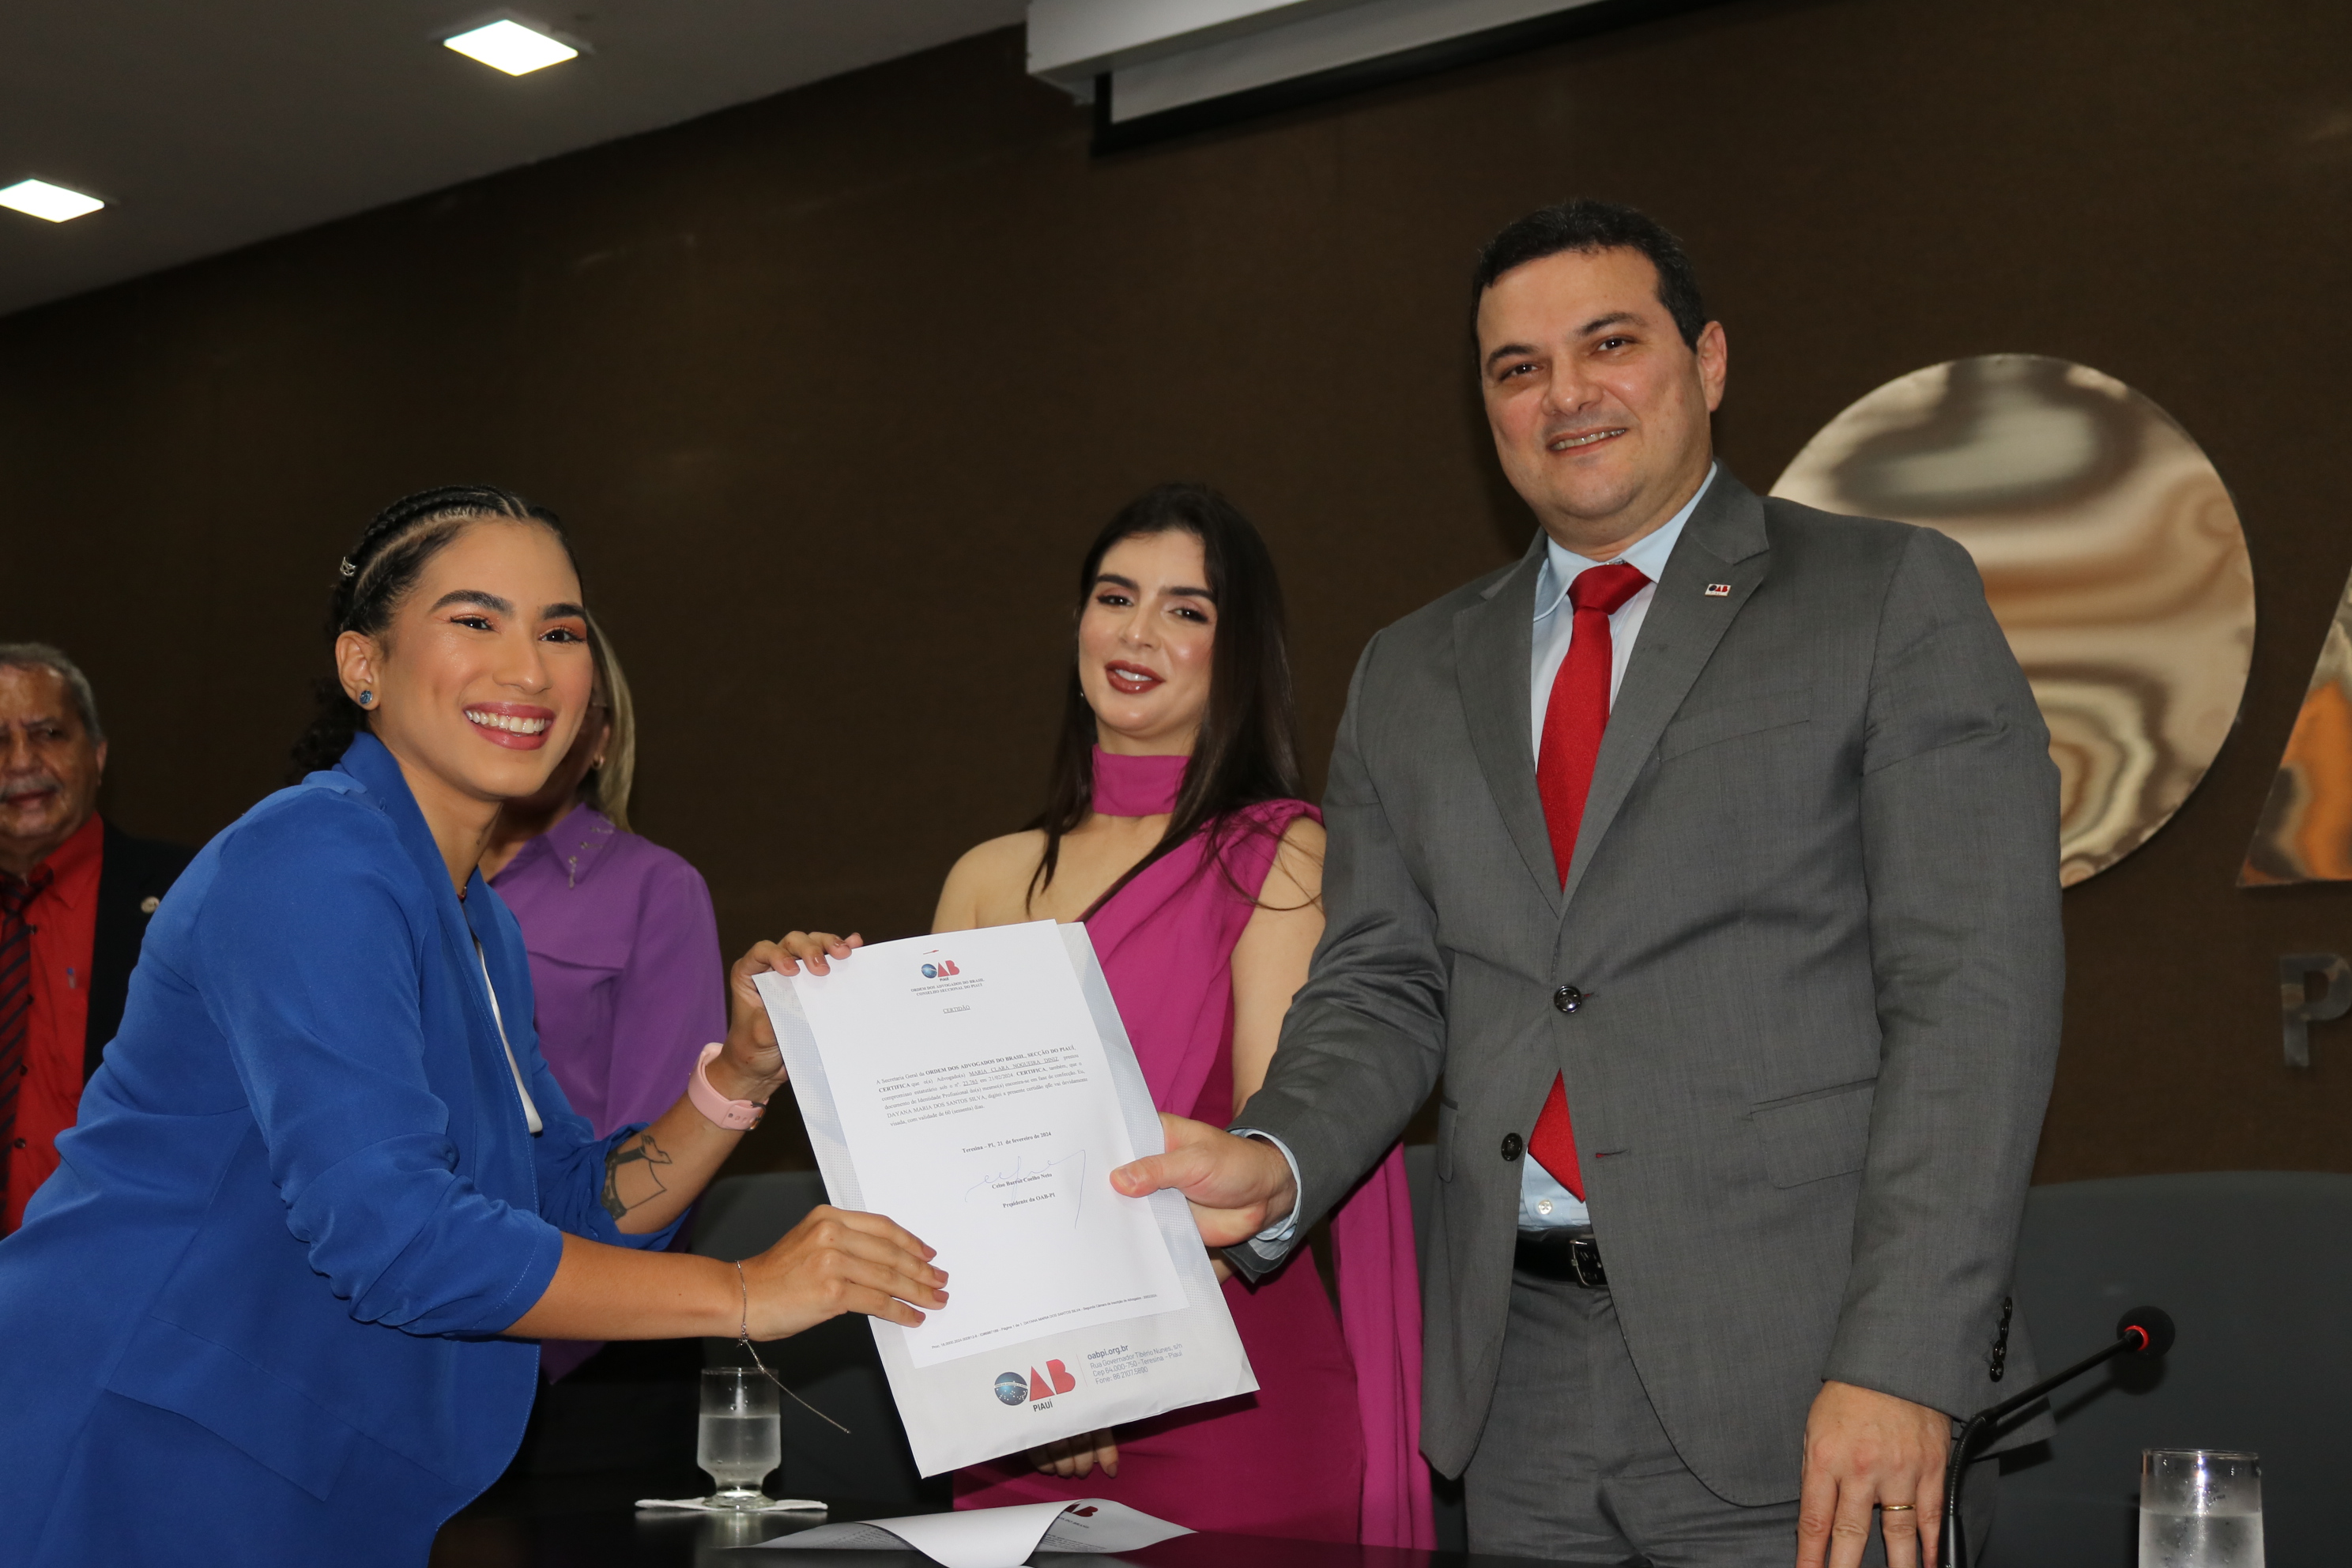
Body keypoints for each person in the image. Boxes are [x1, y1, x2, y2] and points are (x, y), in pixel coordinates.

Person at [1108, 202, 2063, 1568]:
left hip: (1814, 1372)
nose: (1565, 393)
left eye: (1608, 343)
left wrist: (1906, 1359)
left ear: (1708, 361)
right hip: (1518, 1389)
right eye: (1518, 366)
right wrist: (1274, 1159)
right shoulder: (1411, 670)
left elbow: (1975, 1000)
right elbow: (1381, 985)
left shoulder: (1885, 595)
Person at [0, 486, 946, 1565]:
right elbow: (396, 1236)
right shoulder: (311, 861)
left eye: (561, 632)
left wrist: (740, 1073)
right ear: (364, 664)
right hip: (131, 1447)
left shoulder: (473, 914)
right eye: (476, 620)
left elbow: (564, 1206)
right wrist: (745, 1292)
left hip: (283, 1460)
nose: (529, 669)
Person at [927, 482, 1428, 1547]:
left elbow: (1275, 1142)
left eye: (1185, 609)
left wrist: (1092, 1358)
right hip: (1015, 1406)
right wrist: (1039, 1368)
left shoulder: (1278, 855)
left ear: (1235, 652)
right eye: (1116, 597)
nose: (1138, 631)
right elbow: (946, 1167)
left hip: (1220, 1391)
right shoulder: (983, 876)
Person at [480, 616, 725, 1381]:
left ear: (602, 741)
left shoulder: (656, 888)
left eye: (561, 699)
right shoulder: (399, 876)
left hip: (591, 1339)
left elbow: (656, 1145)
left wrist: (551, 1344)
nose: (527, 704)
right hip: (412, 1310)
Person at [0, 643, 193, 1234]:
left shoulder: (190, 898)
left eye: (48, 734)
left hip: (129, 1259)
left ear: (98, 754)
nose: (20, 762)